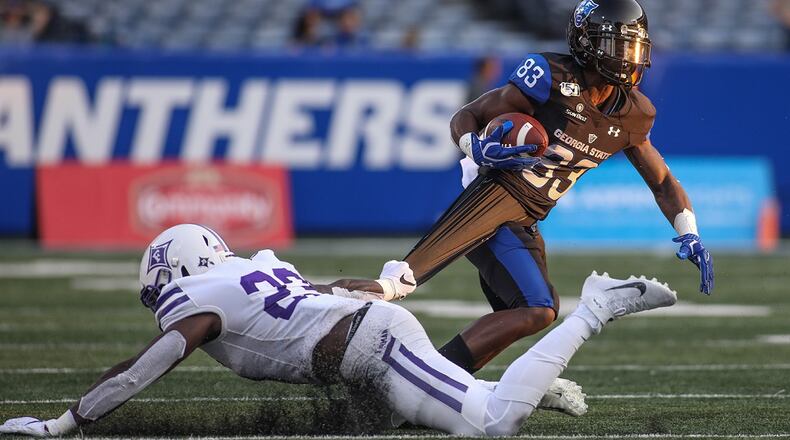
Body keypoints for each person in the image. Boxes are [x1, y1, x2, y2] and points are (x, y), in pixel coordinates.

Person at [0, 223, 678, 437]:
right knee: (436, 418)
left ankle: (595, 306)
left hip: (374, 347)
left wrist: (65, 423)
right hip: (368, 341)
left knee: (494, 426)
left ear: (177, 267)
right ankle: (527, 383)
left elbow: (146, 364)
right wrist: (378, 284)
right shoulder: (247, 271)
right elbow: (324, 291)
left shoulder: (198, 298)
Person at [402, 0, 714, 374]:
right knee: (536, 307)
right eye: (617, 45)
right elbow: (472, 113)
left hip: (527, 217)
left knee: (527, 310)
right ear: (587, 43)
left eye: (633, 46)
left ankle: (435, 381)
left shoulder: (635, 112)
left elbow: (662, 182)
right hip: (493, 200)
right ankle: (422, 376)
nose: (628, 57)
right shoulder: (551, 76)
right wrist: (476, 146)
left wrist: (689, 231)